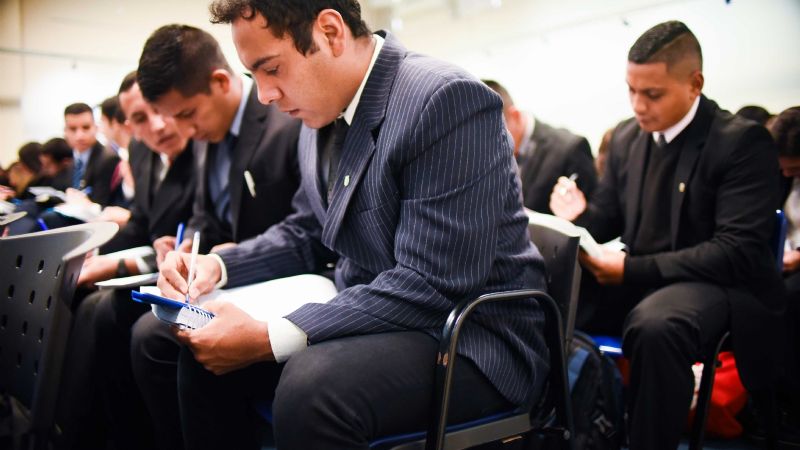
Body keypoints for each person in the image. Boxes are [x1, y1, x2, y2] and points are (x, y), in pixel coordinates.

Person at [155, 2, 549, 449]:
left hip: (473, 338)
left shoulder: (444, 98)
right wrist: (218, 268)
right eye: (254, 75)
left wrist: (270, 336)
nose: (264, 94)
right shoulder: (319, 105)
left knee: (313, 388)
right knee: (201, 350)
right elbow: (307, 229)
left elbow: (434, 284)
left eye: (272, 69)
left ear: (329, 32)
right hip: (382, 312)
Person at [549, 21, 783, 449]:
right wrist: (573, 223)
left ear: (695, 84)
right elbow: (608, 216)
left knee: (657, 325)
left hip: (720, 286)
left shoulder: (741, 143)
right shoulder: (626, 138)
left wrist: (630, 268)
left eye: (652, 94)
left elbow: (737, 251)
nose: (638, 105)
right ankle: (573, 434)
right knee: (545, 304)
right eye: (631, 91)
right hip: (645, 277)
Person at [106, 24, 302, 450]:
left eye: (187, 115)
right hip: (222, 280)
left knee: (169, 344)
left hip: (275, 282)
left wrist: (230, 257)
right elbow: (202, 215)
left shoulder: (284, 122)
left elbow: (306, 228)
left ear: (219, 82)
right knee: (148, 332)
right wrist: (186, 248)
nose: (182, 129)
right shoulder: (203, 136)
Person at [483, 79, 597, 214]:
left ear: (515, 116)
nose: (486, 144)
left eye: (491, 133)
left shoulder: (570, 149)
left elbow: (599, 220)